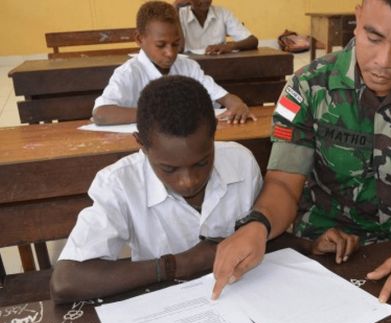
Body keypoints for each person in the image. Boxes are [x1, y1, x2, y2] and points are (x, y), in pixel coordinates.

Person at [211, 0, 391, 315]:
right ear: (358, 16)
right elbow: (284, 182)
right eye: (373, 37)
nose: (383, 60)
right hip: (324, 247)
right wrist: (257, 226)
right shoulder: (308, 87)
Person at [50, 75, 262, 304]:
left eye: (201, 163)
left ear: (213, 136)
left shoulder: (241, 162)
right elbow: (65, 282)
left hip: (242, 297)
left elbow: (266, 232)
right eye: (169, 168)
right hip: (166, 308)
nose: (188, 181)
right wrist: (180, 263)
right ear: (141, 144)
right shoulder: (119, 183)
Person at [92, 1, 253, 126]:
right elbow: (101, 114)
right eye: (161, 45)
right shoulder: (129, 72)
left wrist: (238, 105)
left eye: (175, 44)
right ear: (139, 39)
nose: (170, 53)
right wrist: (161, 113)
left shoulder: (188, 67)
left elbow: (225, 98)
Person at [175, 0, 259, 55]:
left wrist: (228, 47)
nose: (204, 0)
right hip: (190, 69)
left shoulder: (222, 13)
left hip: (219, 66)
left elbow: (253, 41)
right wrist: (175, 8)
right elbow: (179, 48)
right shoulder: (180, 15)